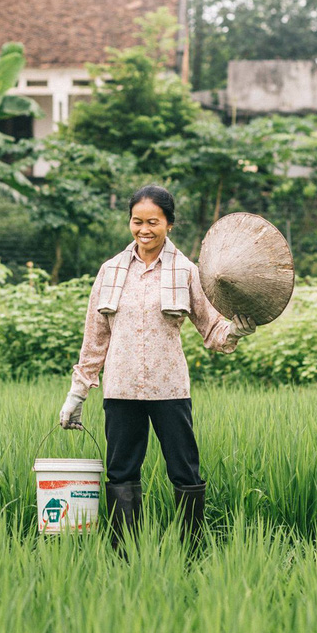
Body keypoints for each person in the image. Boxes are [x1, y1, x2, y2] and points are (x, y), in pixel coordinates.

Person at [59, 185, 256, 550]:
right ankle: (125, 555)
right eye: (137, 221)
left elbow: (211, 328)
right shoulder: (111, 270)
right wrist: (78, 392)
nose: (144, 229)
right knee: (121, 471)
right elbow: (95, 337)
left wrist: (236, 331)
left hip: (170, 390)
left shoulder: (186, 270)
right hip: (121, 389)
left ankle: (191, 552)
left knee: (184, 471)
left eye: (153, 222)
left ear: (169, 224)